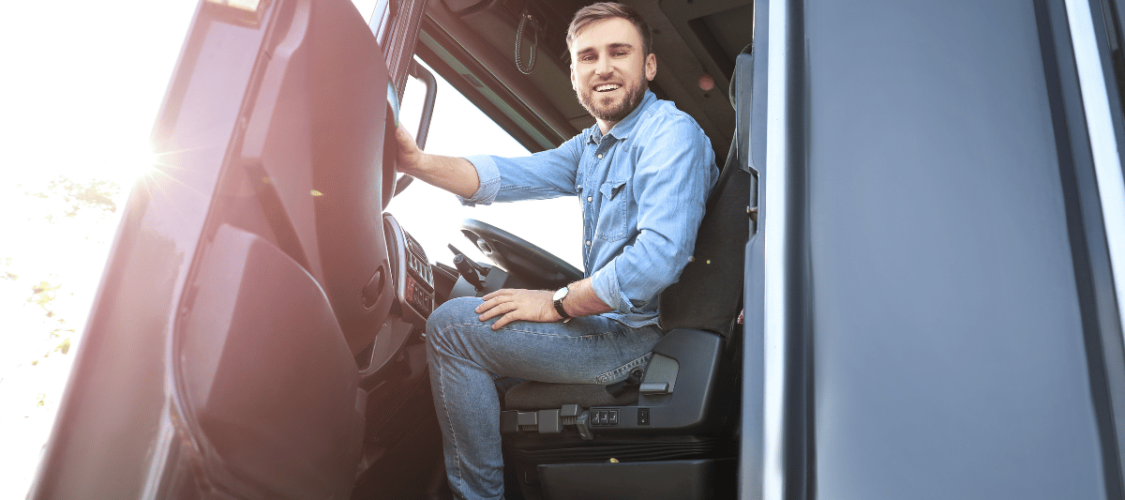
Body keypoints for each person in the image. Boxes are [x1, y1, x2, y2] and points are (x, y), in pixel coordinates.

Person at [393, 3, 717, 498]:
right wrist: (415, 162)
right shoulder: (593, 146)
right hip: (614, 328)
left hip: (640, 340)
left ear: (648, 66)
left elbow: (657, 259)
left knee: (452, 329)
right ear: (574, 74)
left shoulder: (670, 134)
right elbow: (504, 177)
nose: (602, 67)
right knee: (485, 360)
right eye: (588, 57)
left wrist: (557, 302)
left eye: (618, 52)